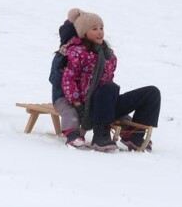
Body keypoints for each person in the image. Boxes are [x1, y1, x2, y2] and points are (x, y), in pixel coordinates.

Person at [60, 10, 161, 152]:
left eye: (101, 28)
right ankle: (100, 135)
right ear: (84, 33)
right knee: (109, 87)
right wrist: (78, 105)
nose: (100, 32)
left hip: (106, 103)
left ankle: (135, 135)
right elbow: (68, 80)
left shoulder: (108, 55)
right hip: (87, 106)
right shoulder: (77, 52)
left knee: (152, 92)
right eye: (94, 29)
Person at [49, 8, 85, 147]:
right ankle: (72, 135)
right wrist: (66, 76)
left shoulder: (87, 53)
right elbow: (54, 78)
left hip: (82, 96)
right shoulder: (62, 55)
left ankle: (128, 131)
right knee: (70, 112)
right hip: (62, 96)